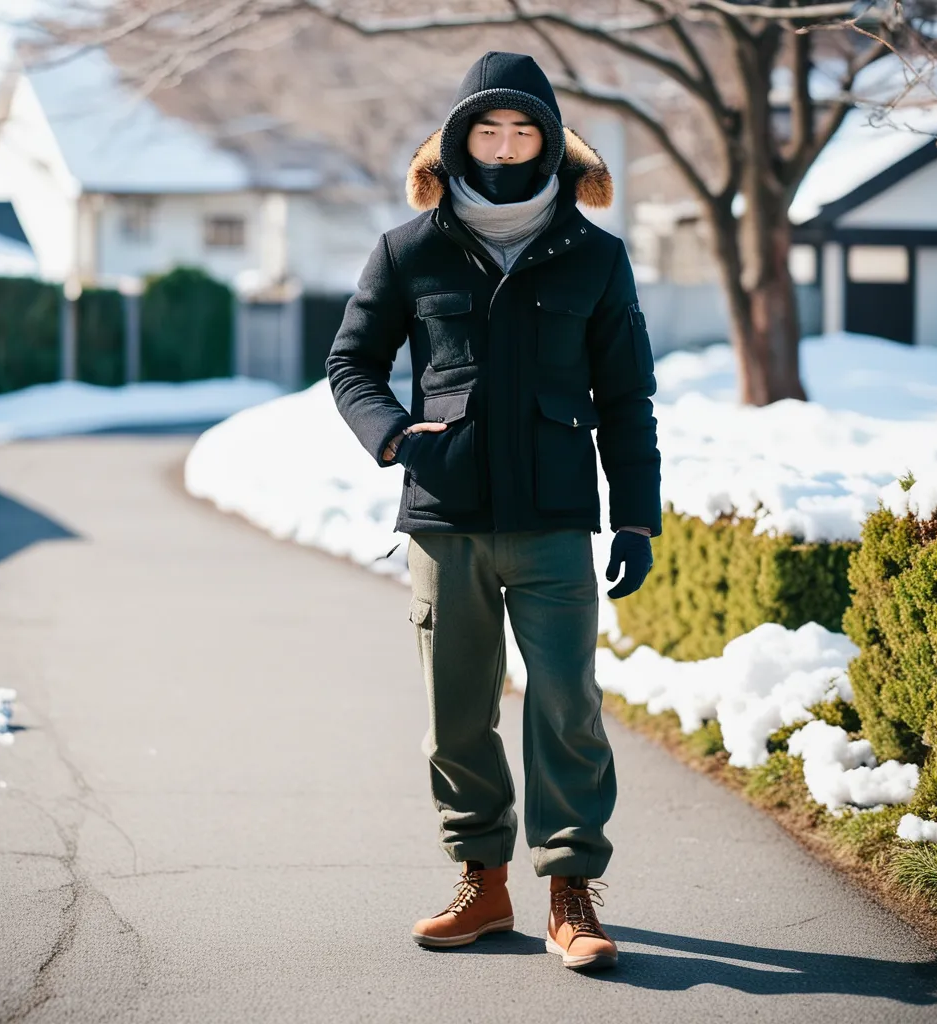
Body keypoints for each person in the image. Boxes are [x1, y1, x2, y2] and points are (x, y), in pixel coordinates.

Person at [326, 51, 661, 972]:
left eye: (525, 131)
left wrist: (636, 517)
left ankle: (570, 889)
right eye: (489, 129)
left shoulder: (595, 255)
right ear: (459, 138)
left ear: (554, 144)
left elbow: (628, 399)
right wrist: (394, 435)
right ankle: (483, 881)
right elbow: (350, 364)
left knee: (567, 707)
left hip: (555, 519)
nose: (507, 145)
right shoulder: (409, 249)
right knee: (456, 712)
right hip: (445, 518)